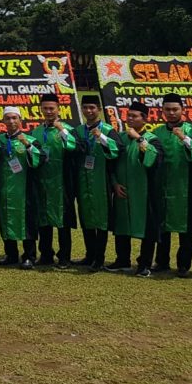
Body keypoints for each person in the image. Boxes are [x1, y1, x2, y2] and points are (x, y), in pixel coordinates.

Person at [108, 102, 165, 277]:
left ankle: (144, 264)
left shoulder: (152, 138)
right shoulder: (120, 138)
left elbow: (152, 161)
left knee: (147, 228)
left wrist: (139, 139)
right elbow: (111, 162)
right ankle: (122, 260)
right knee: (121, 225)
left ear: (145, 119)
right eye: (129, 115)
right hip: (122, 189)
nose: (130, 119)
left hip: (143, 192)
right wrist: (115, 184)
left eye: (135, 116)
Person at [29, 93, 78, 268]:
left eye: (52, 108)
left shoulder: (67, 129)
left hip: (61, 181)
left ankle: (64, 256)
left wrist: (60, 129)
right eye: (45, 108)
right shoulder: (36, 131)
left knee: (62, 220)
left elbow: (74, 148)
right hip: (42, 181)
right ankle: (46, 254)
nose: (49, 111)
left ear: (59, 109)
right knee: (43, 219)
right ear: (40, 109)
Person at [74, 94, 121, 272]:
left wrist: (101, 137)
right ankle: (89, 254)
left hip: (101, 180)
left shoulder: (109, 130)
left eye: (92, 108)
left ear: (99, 110)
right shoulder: (78, 131)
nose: (89, 111)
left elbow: (117, 151)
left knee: (101, 219)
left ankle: (99, 258)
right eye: (85, 107)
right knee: (86, 218)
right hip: (83, 179)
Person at [153, 93, 192, 276]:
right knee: (162, 225)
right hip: (162, 186)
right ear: (162, 111)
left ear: (182, 110)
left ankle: (183, 265)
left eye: (175, 109)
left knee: (187, 228)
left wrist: (184, 138)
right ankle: (162, 262)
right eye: (167, 110)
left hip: (186, 186)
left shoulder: (191, 130)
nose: (171, 113)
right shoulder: (157, 132)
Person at [0, 107, 39, 269]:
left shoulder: (30, 139)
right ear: (3, 121)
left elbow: (38, 160)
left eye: (14, 118)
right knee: (6, 220)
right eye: (8, 118)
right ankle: (11, 254)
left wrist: (27, 145)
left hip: (24, 188)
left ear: (20, 120)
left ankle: (29, 256)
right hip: (4, 189)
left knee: (27, 221)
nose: (11, 121)